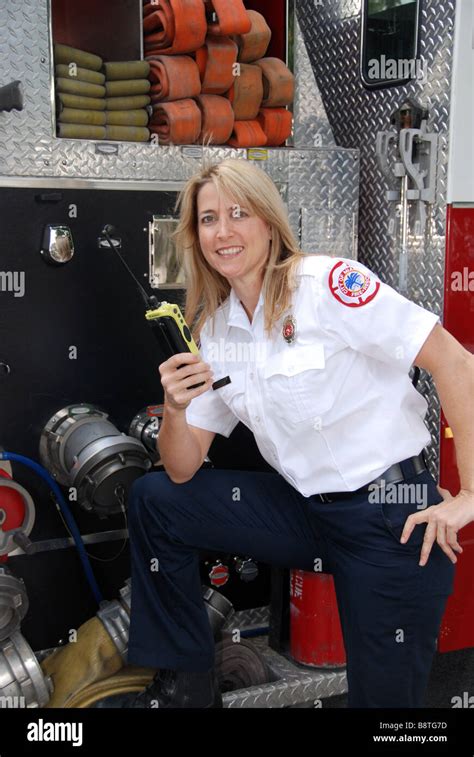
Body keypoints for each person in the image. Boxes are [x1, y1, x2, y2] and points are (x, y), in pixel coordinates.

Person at [95, 158, 474, 709]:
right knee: (154, 498)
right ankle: (186, 687)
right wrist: (175, 409)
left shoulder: (327, 286)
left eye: (238, 214)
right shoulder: (217, 331)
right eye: (207, 219)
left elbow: (456, 362)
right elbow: (181, 468)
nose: (222, 232)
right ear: (194, 236)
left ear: (269, 223)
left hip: (391, 513)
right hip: (309, 512)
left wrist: (469, 496)